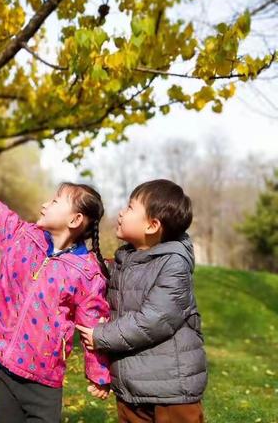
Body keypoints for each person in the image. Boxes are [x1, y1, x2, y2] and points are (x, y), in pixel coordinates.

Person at [0, 165, 111, 423]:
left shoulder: (86, 273)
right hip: (2, 365)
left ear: (74, 220)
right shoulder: (22, 238)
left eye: (55, 201)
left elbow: (92, 325)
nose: (45, 204)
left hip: (43, 378)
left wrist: (99, 374)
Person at [77, 179, 207, 423]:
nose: (121, 212)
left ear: (152, 225)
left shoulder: (174, 264)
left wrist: (100, 337)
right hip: (131, 387)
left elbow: (154, 320)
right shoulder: (123, 262)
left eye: (129, 207)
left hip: (172, 391)